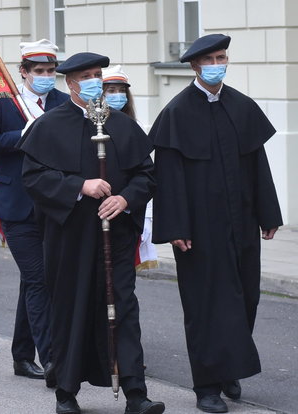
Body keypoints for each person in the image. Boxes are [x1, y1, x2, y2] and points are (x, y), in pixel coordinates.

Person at [19, 52, 163, 414]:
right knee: (71, 308)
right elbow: (34, 178)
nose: (95, 81)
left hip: (116, 235)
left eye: (98, 74)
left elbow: (146, 175)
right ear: (70, 83)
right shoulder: (49, 126)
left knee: (124, 310)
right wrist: (79, 185)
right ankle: (66, 391)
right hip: (70, 237)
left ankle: (135, 392)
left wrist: (125, 199)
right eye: (87, 76)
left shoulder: (123, 125)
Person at [150, 34, 282, 414]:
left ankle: (229, 369)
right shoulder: (176, 112)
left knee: (246, 297)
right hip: (198, 230)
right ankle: (206, 386)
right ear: (194, 66)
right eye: (209, 59)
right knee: (205, 304)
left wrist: (268, 214)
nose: (216, 64)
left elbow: (258, 165)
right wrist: (175, 227)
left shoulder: (242, 106)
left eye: (221, 57)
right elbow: (169, 178)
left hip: (241, 223)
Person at [0, 39, 69, 382]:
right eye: (38, 71)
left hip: (56, 204)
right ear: (24, 72)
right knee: (39, 280)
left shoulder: (61, 101)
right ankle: (53, 361)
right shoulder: (5, 105)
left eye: (50, 70)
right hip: (17, 207)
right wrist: (22, 135)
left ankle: (21, 355)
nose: (45, 76)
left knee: (36, 283)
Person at [101, 66, 158, 272]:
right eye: (111, 91)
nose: (118, 96)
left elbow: (144, 173)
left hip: (128, 210)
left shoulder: (135, 126)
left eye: (121, 90)